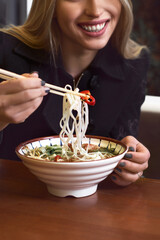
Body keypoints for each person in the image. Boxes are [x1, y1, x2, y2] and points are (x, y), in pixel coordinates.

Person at [0, 0, 150, 186]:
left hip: (93, 205)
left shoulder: (133, 64)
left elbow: (123, 144)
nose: (95, 10)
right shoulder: (5, 51)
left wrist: (130, 163)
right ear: (51, 6)